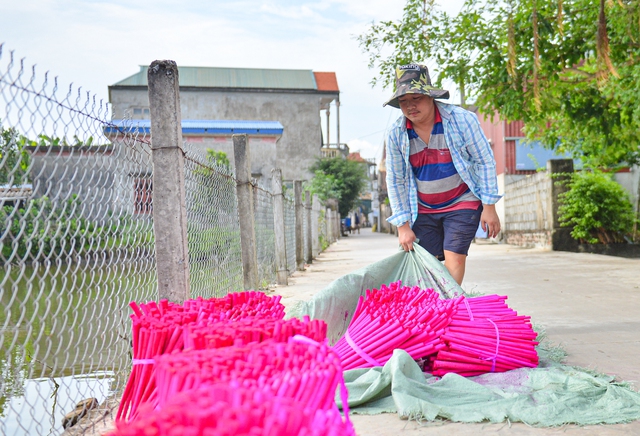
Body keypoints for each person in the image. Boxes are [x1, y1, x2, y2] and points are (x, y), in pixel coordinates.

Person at [383, 63, 501, 285]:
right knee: (430, 265)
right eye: (404, 101)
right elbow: (396, 180)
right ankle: (440, 308)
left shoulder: (461, 120)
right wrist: (402, 226)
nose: (410, 106)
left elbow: (484, 160)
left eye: (416, 98)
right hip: (422, 208)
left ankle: (444, 312)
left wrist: (489, 207)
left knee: (454, 259)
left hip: (462, 202)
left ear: (430, 97)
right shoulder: (396, 135)